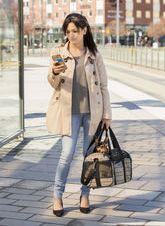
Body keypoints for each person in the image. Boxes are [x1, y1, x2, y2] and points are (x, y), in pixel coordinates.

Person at [46, 13, 112, 217]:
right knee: (66, 155)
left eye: (74, 31)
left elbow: (103, 86)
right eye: (67, 31)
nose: (71, 35)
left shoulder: (94, 54)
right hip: (69, 112)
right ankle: (57, 196)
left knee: (89, 156)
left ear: (84, 30)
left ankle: (85, 195)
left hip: (92, 112)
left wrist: (107, 115)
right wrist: (56, 73)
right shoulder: (58, 52)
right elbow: (52, 82)